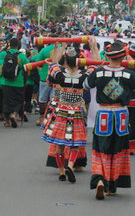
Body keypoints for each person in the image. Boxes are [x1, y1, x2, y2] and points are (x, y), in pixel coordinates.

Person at [84, 41, 135, 200]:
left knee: (100, 148)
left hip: (104, 114)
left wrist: (96, 69)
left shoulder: (99, 71)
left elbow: (86, 85)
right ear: (123, 56)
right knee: (118, 150)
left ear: (108, 56)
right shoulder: (128, 73)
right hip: (121, 116)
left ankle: (100, 179)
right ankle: (112, 185)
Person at [42, 42, 97, 183]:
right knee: (75, 144)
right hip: (76, 113)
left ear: (66, 61)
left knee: (59, 145)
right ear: (79, 62)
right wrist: (93, 47)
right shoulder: (83, 77)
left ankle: (61, 171)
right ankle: (70, 166)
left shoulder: (60, 76)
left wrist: (62, 47)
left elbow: (54, 63)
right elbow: (95, 66)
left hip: (61, 112)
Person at [0, 38, 29, 128]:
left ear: (9, 44)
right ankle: (14, 114)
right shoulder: (21, 56)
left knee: (6, 101)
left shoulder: (3, 53)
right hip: (18, 82)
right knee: (18, 101)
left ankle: (7, 121)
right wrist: (25, 81)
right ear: (19, 45)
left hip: (5, 82)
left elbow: (0, 64)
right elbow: (27, 68)